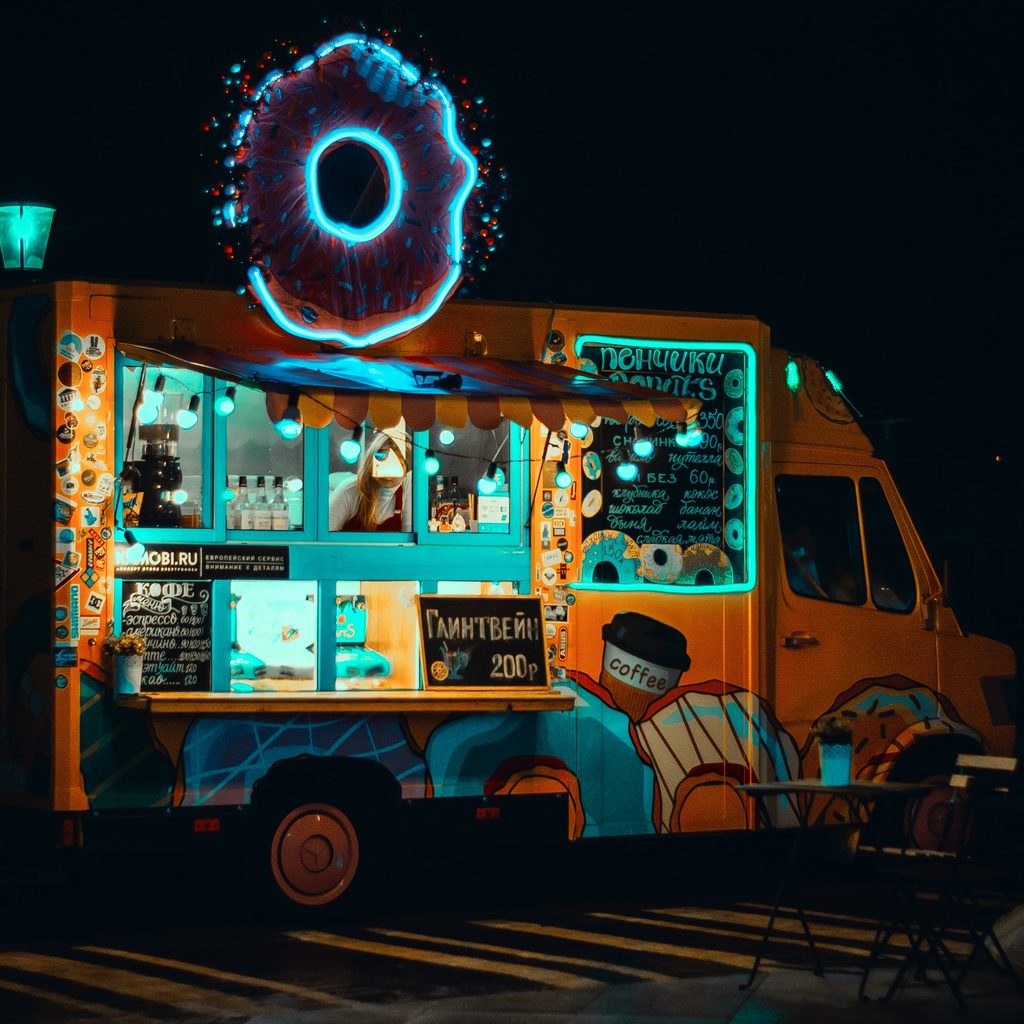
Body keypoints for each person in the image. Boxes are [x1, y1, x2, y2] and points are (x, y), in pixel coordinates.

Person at [329, 429, 411, 532]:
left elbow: (411, 538)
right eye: (382, 463)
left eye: (396, 466)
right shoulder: (349, 490)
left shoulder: (408, 487)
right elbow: (323, 537)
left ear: (406, 469)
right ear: (372, 463)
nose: (388, 474)